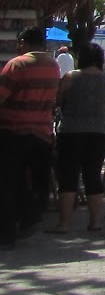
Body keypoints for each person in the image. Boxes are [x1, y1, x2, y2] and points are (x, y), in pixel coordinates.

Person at [0, 26, 62, 247]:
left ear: (24, 42)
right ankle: (29, 217)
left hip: (15, 131)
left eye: (19, 42)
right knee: (31, 182)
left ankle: (7, 234)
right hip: (42, 133)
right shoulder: (53, 66)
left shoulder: (17, 64)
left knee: (7, 183)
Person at [50, 44, 105, 234]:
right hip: (99, 131)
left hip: (71, 130)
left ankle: (63, 223)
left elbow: (58, 102)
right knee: (93, 175)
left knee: (68, 176)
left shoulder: (70, 77)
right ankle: (95, 222)